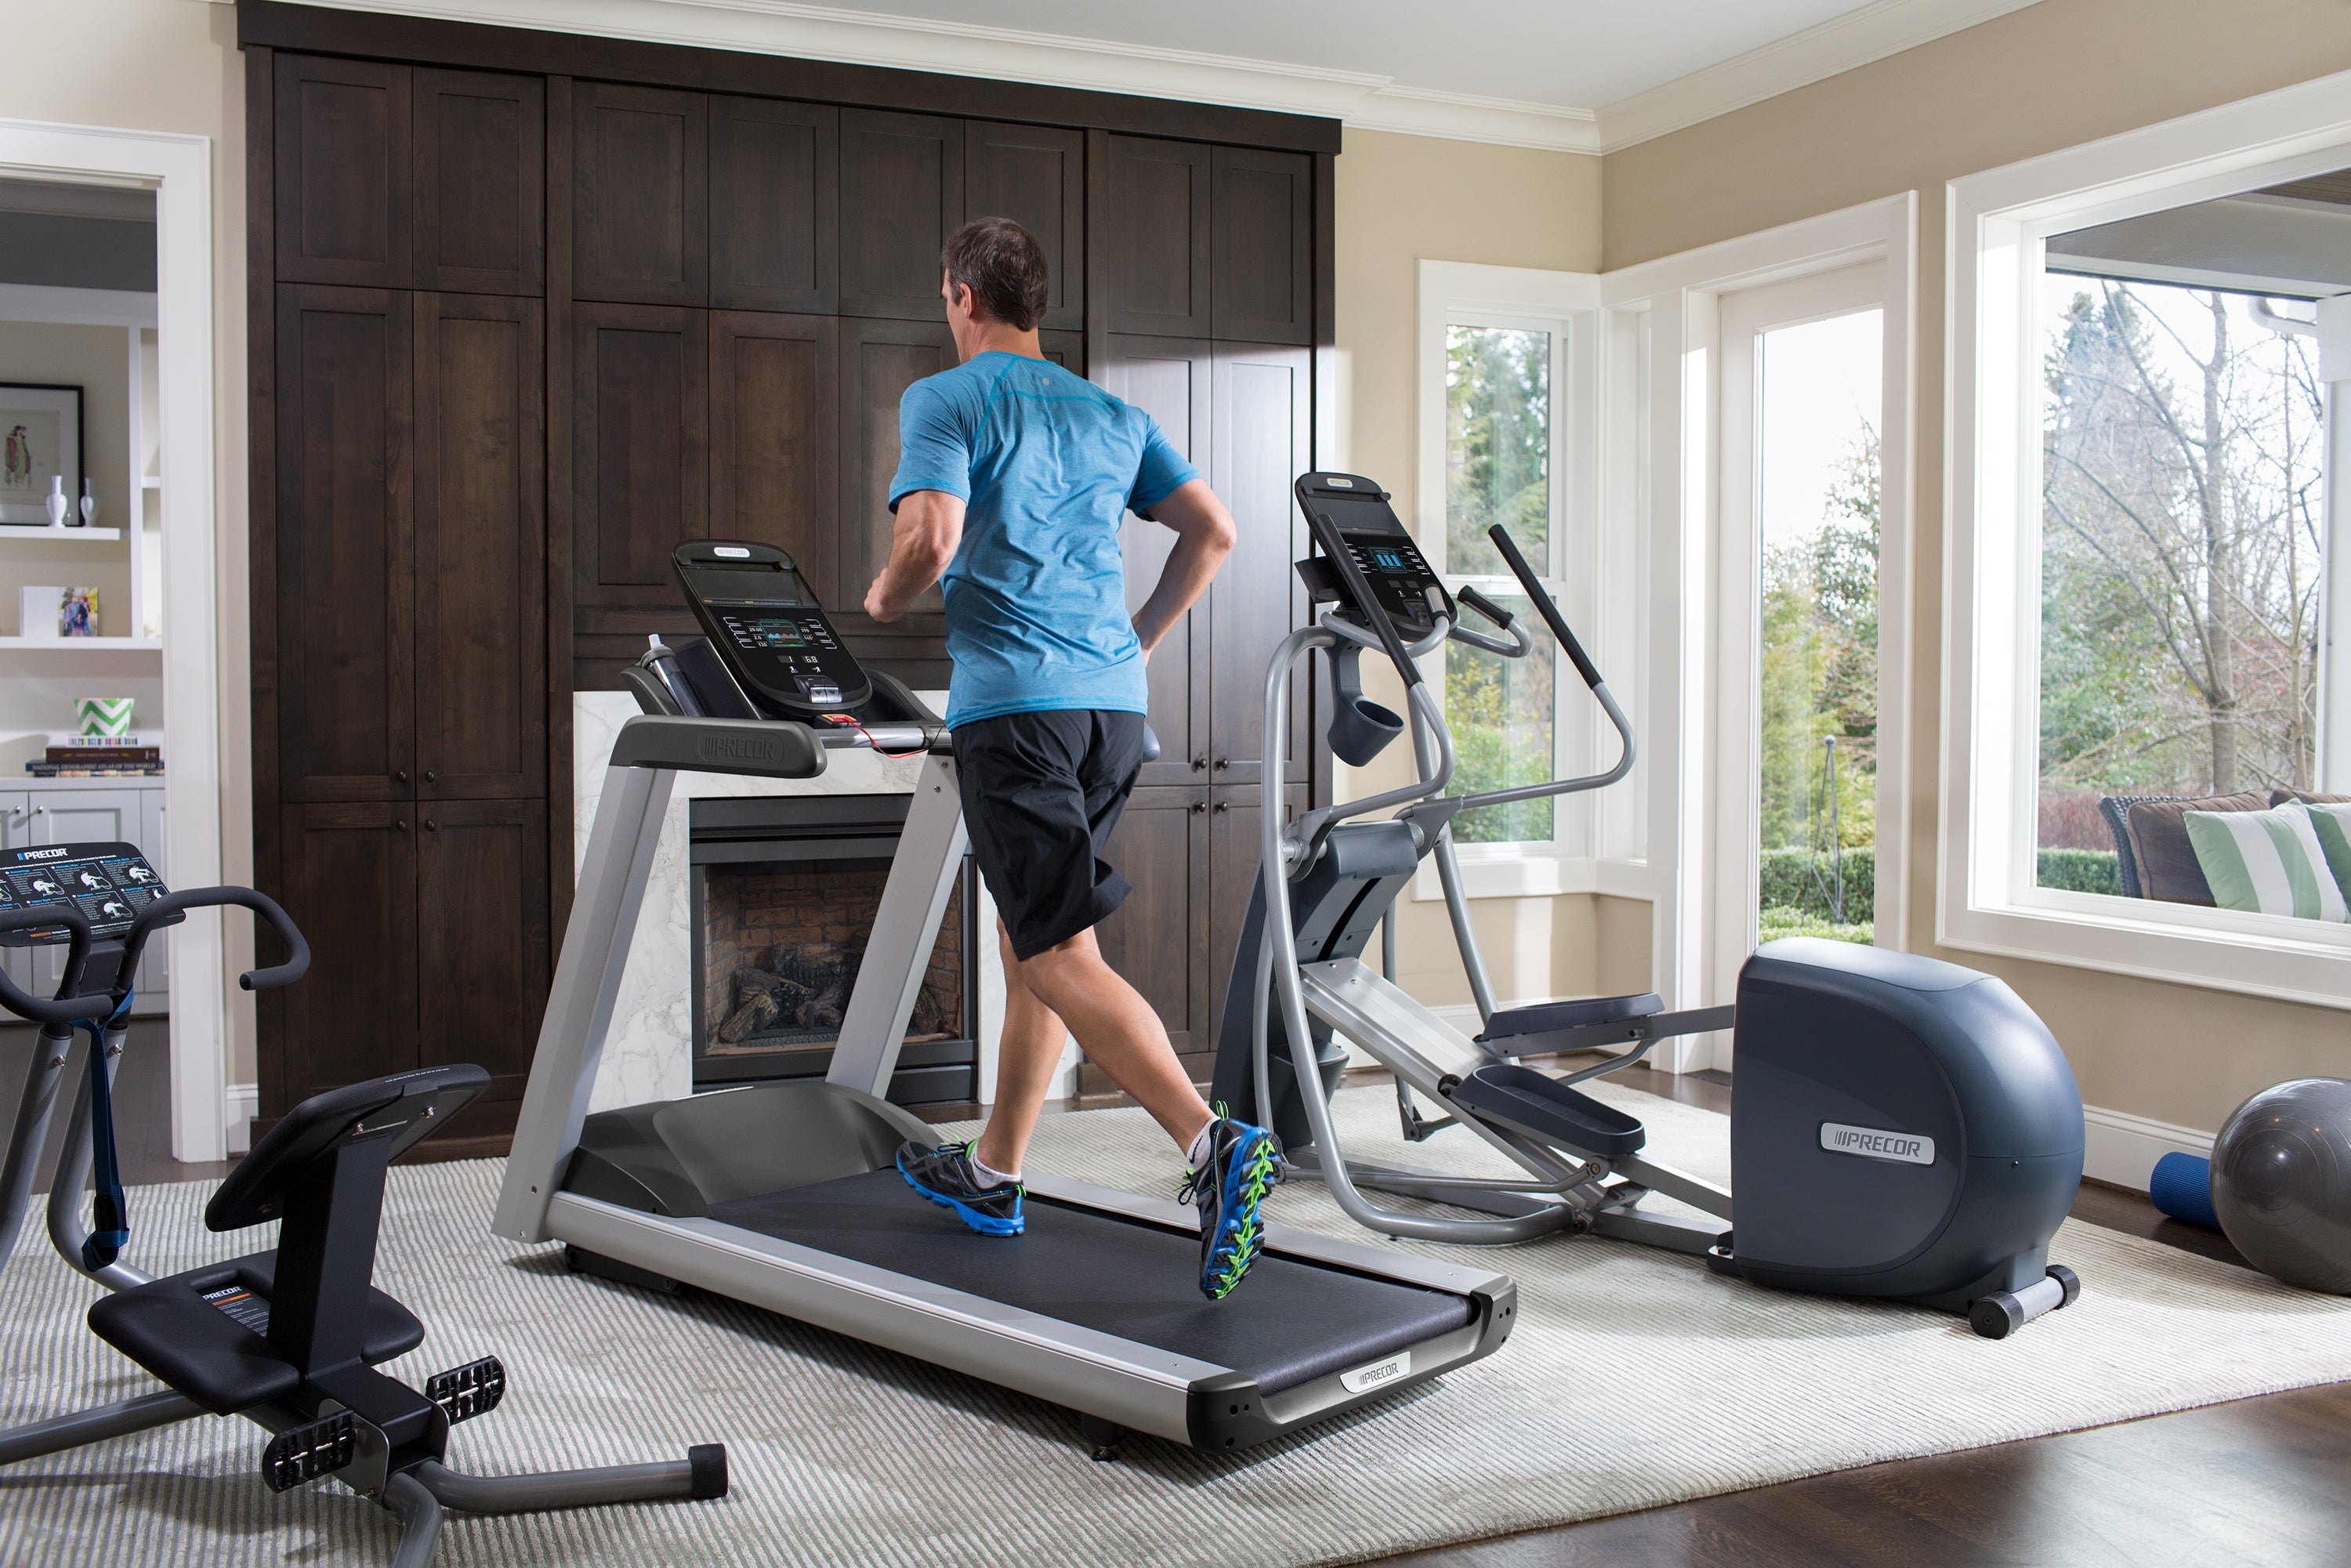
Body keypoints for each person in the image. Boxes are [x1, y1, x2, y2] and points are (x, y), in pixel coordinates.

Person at [866, 216, 1280, 1302]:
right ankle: (998, 1169)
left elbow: (930, 540)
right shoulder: (1113, 411)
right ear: (1032, 302)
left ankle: (1211, 1143)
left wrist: (876, 599)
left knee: (1051, 954)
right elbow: (1215, 532)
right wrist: (1138, 636)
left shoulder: (947, 399)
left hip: (1017, 712)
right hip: (1113, 712)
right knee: (1041, 941)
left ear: (961, 295)